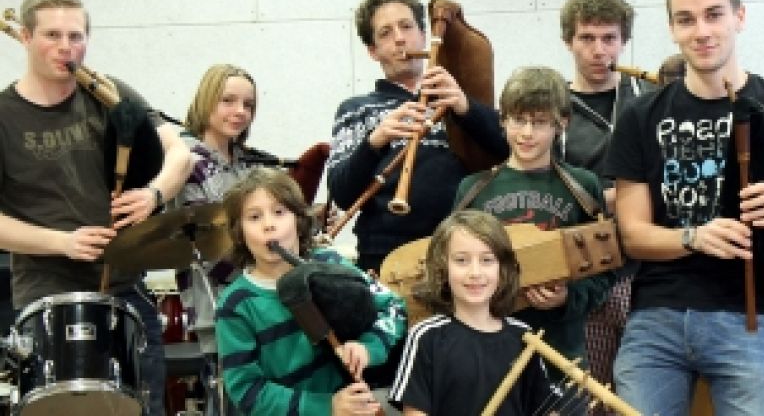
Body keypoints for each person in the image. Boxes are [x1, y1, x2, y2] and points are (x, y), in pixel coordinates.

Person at [606, 0, 764, 414]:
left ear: (740, 17)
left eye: (714, 15)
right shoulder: (642, 117)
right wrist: (693, 237)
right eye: (686, 19)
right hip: (655, 319)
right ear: (672, 28)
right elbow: (633, 235)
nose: (701, 31)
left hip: (750, 320)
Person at [0, 0, 193, 416]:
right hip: (47, 295)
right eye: (52, 35)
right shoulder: (4, 115)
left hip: (125, 290)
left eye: (76, 36)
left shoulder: (109, 94)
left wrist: (154, 193)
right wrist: (61, 242)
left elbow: (180, 154)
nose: (66, 47)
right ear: (26, 37)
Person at [452, 67, 614, 406]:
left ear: (561, 124)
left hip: (560, 353)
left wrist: (568, 297)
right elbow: (448, 273)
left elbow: (606, 272)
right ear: (503, 121)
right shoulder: (472, 190)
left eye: (539, 123)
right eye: (517, 120)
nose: (526, 133)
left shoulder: (582, 187)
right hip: (487, 357)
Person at [327, 0, 508, 275]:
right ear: (373, 52)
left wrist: (466, 108)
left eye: (407, 26)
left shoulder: (457, 97)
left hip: (462, 250)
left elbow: (510, 151)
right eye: (385, 33)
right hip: (385, 255)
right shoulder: (355, 109)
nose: (400, 38)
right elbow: (342, 193)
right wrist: (375, 141)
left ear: (424, 36)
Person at [215, 168, 407, 415]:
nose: (269, 225)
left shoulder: (329, 264)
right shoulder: (236, 304)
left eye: (279, 212)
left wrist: (368, 348)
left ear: (298, 219)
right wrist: (326, 406)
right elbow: (246, 389)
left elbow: (394, 307)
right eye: (254, 217)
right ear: (239, 233)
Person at [557, 0, 654, 406]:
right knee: (591, 397)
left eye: (609, 38)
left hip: (646, 275)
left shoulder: (648, 101)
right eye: (587, 38)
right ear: (568, 41)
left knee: (642, 399)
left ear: (623, 41)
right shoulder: (554, 107)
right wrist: (618, 196)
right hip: (587, 273)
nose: (599, 50)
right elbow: (552, 191)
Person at [388, 209, 554, 415]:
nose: (475, 273)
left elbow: (547, 409)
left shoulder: (525, 337)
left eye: (487, 260)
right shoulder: (425, 337)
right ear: (442, 268)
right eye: (461, 260)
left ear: (502, 269)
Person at [170, 63, 260, 414]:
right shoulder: (186, 159)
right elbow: (213, 247)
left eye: (248, 105)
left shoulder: (245, 163)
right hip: (219, 304)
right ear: (206, 101)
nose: (240, 112)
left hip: (259, 303)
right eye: (228, 100)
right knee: (231, 399)